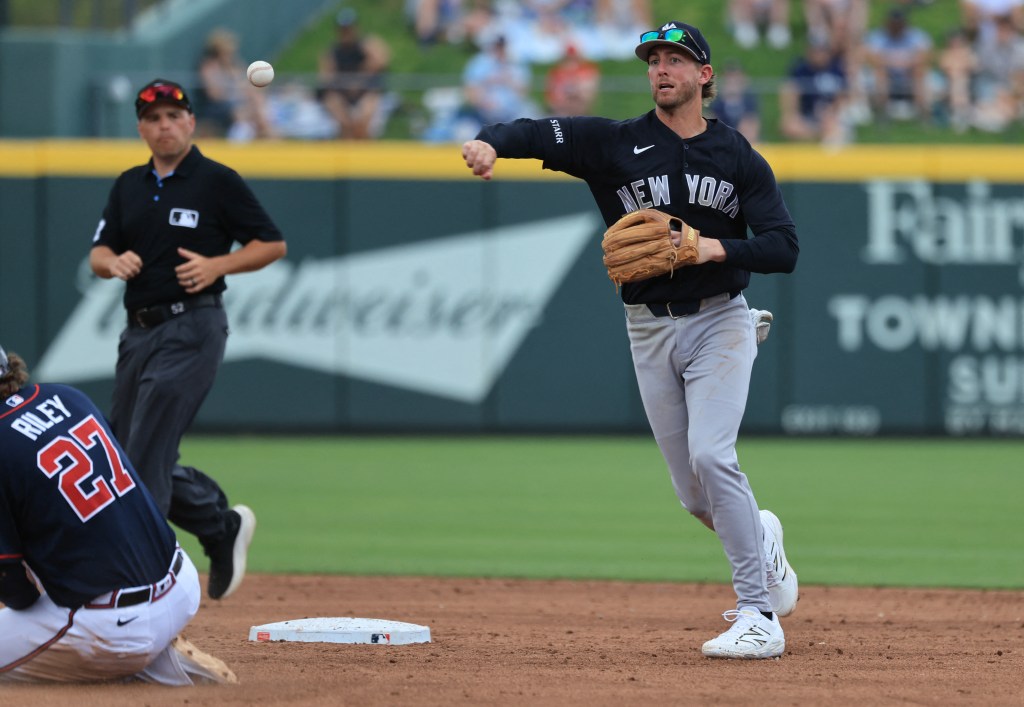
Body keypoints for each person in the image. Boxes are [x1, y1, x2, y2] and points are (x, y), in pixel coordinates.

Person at [462, 20, 799, 659]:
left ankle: (758, 613)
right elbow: (532, 132)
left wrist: (711, 246)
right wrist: (487, 143)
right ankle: (763, 540)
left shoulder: (737, 156)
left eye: (676, 59)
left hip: (722, 319)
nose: (661, 69)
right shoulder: (614, 143)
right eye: (653, 60)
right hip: (647, 328)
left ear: (705, 76)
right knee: (694, 494)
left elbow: (784, 246)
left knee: (712, 454)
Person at [89, 79, 287, 601]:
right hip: (139, 333)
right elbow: (99, 252)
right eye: (154, 118)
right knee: (125, 456)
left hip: (193, 327)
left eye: (174, 115)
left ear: (191, 122)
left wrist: (220, 263)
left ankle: (146, 586)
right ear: (141, 128)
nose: (165, 125)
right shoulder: (129, 184)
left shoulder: (216, 180)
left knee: (145, 452)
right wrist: (113, 263)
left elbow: (271, 244)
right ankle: (220, 527)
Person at [0, 345, 234, 684]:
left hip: (112, 625)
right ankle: (165, 667)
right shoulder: (68, 397)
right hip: (181, 584)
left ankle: (127, 663)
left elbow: (13, 587)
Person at [318, 8, 392, 140]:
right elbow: (326, 77)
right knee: (343, 121)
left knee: (362, 121)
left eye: (349, 28)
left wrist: (360, 76)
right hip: (342, 94)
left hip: (365, 92)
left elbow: (381, 61)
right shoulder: (334, 51)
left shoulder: (366, 45)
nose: (347, 32)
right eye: (343, 29)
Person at [193, 28, 275, 141]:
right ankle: (238, 144)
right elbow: (215, 95)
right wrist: (238, 95)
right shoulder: (209, 66)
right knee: (240, 112)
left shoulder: (235, 65)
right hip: (215, 107)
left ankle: (269, 138)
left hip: (236, 103)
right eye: (227, 49)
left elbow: (247, 87)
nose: (231, 52)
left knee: (257, 103)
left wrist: (253, 98)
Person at [863, 8, 933, 120]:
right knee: (880, 72)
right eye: (894, 23)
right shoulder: (878, 36)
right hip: (887, 72)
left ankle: (924, 113)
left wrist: (906, 63)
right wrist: (893, 63)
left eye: (899, 23)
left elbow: (925, 55)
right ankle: (882, 113)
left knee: (919, 71)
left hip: (909, 72)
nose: (896, 26)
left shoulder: (915, 35)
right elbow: (871, 57)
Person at [778, 36, 849, 144]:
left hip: (831, 116)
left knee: (834, 128)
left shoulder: (836, 69)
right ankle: (818, 137)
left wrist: (832, 111)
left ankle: (818, 138)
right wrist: (792, 114)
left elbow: (843, 95)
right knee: (790, 125)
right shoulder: (800, 70)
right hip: (807, 117)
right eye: (815, 51)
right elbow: (789, 90)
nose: (818, 55)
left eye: (821, 51)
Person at [709, 60, 761, 143]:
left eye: (735, 77)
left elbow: (753, 126)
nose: (732, 81)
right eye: (729, 77)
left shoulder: (749, 101)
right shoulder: (716, 103)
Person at [544, 43, 601, 116]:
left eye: (573, 58)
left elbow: (589, 91)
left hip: (579, 105)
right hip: (561, 108)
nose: (571, 62)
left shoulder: (586, 70)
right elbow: (551, 93)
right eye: (569, 58)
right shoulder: (557, 71)